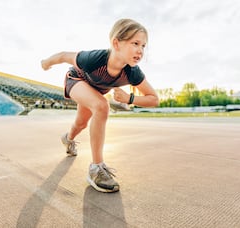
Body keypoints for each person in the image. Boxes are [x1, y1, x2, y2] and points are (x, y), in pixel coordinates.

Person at [41, 18, 159, 193]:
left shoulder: (132, 72)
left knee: (81, 123)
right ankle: (96, 168)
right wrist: (47, 62)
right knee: (102, 106)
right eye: (135, 43)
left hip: (95, 90)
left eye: (143, 46)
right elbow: (65, 55)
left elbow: (154, 99)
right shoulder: (93, 59)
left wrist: (129, 98)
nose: (140, 50)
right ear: (116, 43)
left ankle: (68, 138)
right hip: (77, 80)